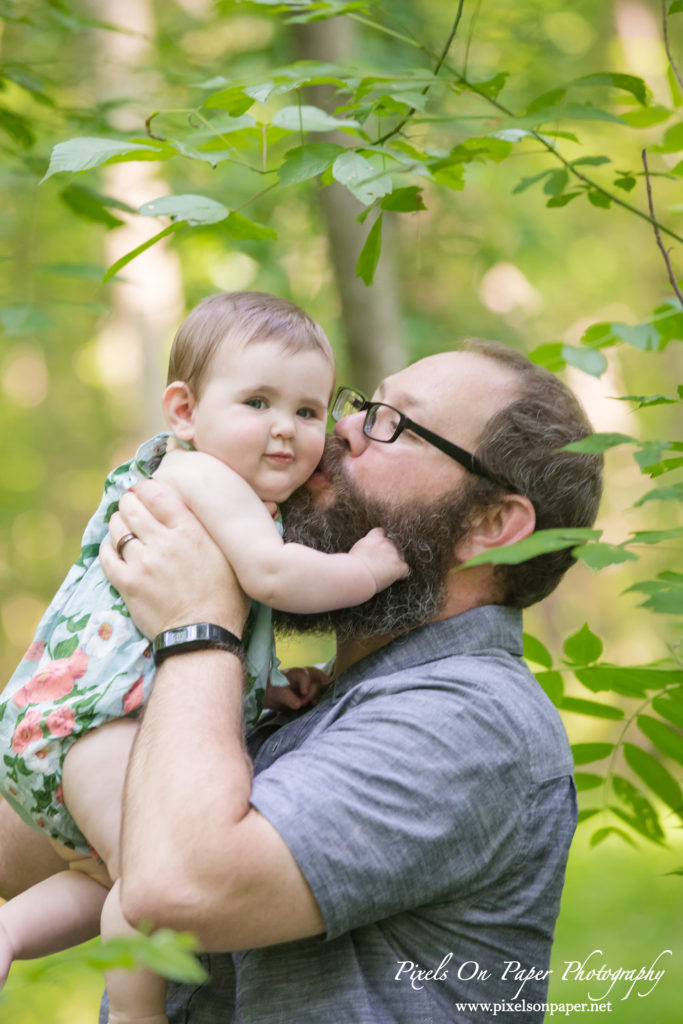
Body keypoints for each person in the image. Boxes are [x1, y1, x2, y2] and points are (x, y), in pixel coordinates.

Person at [91, 339, 604, 1024]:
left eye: (393, 421)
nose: (341, 427)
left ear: (491, 524)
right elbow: (23, 849)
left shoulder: (472, 722)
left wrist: (195, 625)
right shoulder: (298, 691)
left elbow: (177, 891)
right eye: (362, 403)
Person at [0, 291, 408, 1024]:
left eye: (308, 412)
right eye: (256, 402)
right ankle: (135, 1013)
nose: (285, 429)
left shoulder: (235, 492)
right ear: (183, 411)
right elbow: (272, 576)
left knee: (107, 878)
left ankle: (9, 931)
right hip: (97, 721)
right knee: (155, 874)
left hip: (103, 724)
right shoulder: (200, 476)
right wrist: (370, 570)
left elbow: (212, 625)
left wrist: (269, 685)